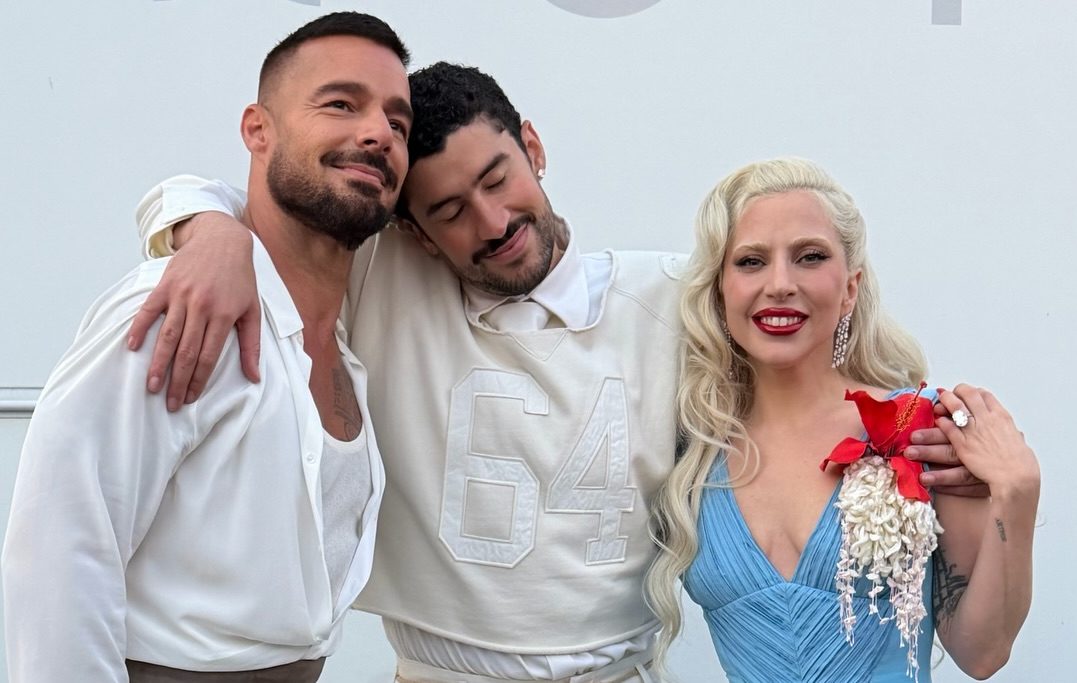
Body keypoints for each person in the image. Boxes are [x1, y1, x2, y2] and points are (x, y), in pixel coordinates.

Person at [126, 70, 984, 681]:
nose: (492, 221)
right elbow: (242, 199)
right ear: (414, 232)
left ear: (532, 146)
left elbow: (804, 355)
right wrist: (206, 228)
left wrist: (936, 452)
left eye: (498, 179)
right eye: (450, 210)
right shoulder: (381, 280)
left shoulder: (676, 297)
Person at [2, 12, 413, 682]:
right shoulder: (179, 309)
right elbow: (59, 561)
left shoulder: (348, 334)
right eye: (341, 103)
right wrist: (212, 231)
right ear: (258, 130)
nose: (378, 132)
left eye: (398, 122)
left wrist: (207, 222)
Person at [646, 158, 1040, 682]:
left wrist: (1017, 490)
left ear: (850, 287)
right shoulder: (687, 449)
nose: (780, 283)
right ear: (720, 291)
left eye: (809, 257)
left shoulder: (919, 426)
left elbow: (982, 652)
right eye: (751, 261)